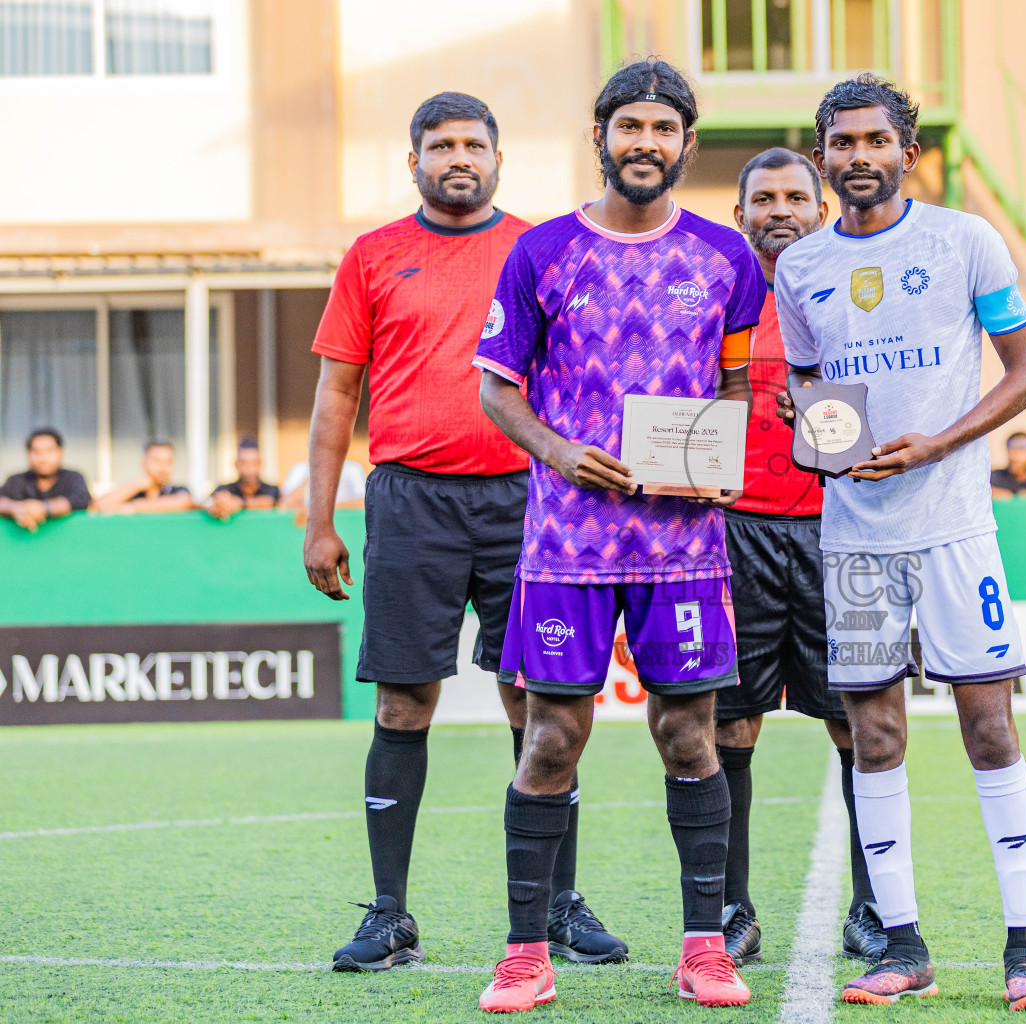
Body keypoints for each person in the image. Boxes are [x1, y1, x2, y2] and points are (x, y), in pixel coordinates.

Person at [302, 92, 620, 973]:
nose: (457, 157)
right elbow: (338, 394)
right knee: (405, 700)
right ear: (413, 161)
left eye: (473, 144)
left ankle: (558, 903)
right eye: (440, 145)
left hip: (527, 499)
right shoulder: (373, 255)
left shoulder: (541, 247)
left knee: (544, 700)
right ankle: (391, 915)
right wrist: (319, 518)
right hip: (409, 501)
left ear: (498, 158)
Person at [473, 59, 764, 1013]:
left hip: (682, 544)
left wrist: (715, 458)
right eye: (628, 125)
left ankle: (703, 950)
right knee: (552, 739)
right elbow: (496, 387)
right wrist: (559, 452)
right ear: (600, 136)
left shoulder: (728, 260)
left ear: (686, 143)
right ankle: (525, 954)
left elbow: (735, 386)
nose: (645, 142)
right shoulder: (543, 252)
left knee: (690, 735)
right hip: (567, 543)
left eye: (664, 128)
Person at [774, 73, 1026, 1012]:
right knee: (876, 734)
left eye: (875, 141)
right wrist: (812, 430)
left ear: (906, 149)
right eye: (842, 143)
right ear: (823, 156)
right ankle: (903, 946)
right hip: (854, 540)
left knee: (989, 728)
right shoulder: (801, 267)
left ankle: (1025, 948)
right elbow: (820, 401)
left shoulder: (962, 239)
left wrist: (940, 441)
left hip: (954, 532)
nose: (859, 157)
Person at [715, 146, 886, 966]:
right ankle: (730, 907)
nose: (779, 210)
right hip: (732, 533)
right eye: (763, 197)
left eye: (794, 197)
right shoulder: (711, 292)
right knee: (729, 724)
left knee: (858, 723)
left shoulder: (847, 291)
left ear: (819, 209)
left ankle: (873, 908)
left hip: (839, 531)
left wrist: (817, 421)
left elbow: (881, 413)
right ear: (739, 212)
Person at [0, 429, 92, 531]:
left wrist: (44, 509)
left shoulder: (73, 478)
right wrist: (16, 508)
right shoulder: (16, 481)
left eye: (49, 451)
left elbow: (81, 500)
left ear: (60, 452)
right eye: (36, 452)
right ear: (28, 454)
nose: (43, 458)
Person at [95, 441, 195, 514]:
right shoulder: (134, 494)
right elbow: (99, 505)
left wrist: (130, 508)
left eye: (168, 462)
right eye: (157, 461)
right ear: (144, 463)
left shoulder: (178, 491)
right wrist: (135, 486)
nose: (163, 468)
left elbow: (183, 502)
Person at [205, 438, 281, 521]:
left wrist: (239, 503)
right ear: (236, 464)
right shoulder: (225, 489)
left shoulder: (272, 490)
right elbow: (206, 502)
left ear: (260, 463)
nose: (249, 469)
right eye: (244, 463)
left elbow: (270, 502)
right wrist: (217, 505)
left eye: (254, 463)